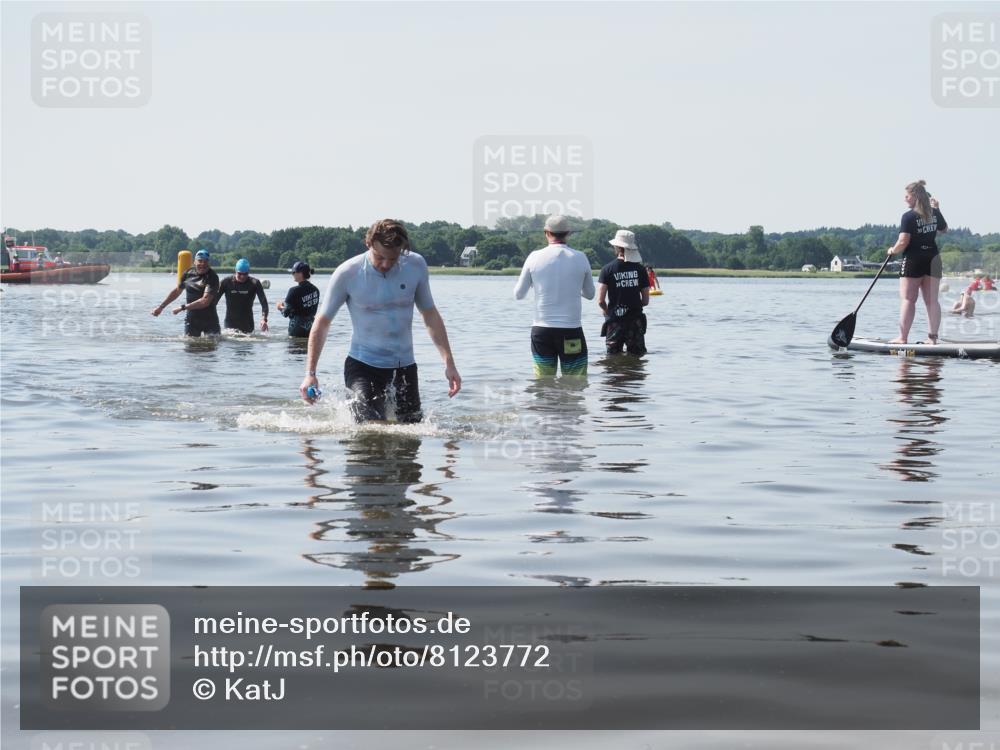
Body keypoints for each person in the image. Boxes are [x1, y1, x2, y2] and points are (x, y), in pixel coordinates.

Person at [299, 219, 461, 422]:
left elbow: (430, 315)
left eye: (392, 259)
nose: (385, 264)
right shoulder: (348, 273)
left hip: (405, 368)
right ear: (368, 243)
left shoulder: (416, 265)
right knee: (370, 430)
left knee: (410, 436)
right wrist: (310, 373)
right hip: (363, 367)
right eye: (379, 257)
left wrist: (449, 363)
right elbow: (322, 323)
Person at [513, 215, 596, 376]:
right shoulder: (580, 257)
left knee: (543, 382)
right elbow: (590, 294)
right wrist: (572, 287)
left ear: (546, 232)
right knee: (575, 382)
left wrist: (534, 283)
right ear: (568, 233)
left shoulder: (534, 257)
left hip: (542, 332)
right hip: (571, 331)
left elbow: (518, 294)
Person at [886, 181, 948, 344]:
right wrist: (938, 210)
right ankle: (932, 339)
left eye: (907, 196)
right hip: (933, 258)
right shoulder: (934, 213)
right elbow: (944, 230)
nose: (905, 199)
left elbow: (903, 241)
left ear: (915, 196)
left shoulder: (908, 216)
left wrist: (892, 250)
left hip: (914, 259)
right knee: (932, 301)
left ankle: (902, 338)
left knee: (908, 299)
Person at [598, 230, 650, 355]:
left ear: (617, 247)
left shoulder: (607, 269)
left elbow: (600, 301)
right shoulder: (641, 270)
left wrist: (608, 311)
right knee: (637, 358)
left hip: (614, 322)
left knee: (612, 358)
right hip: (635, 322)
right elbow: (645, 301)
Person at [150, 248, 221, 337]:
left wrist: (182, 307)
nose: (202, 264)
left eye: (205, 261)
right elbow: (177, 291)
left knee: (211, 349)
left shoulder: (212, 277)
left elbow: (205, 301)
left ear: (208, 263)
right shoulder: (188, 273)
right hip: (192, 320)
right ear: (194, 262)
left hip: (210, 321)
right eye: (200, 261)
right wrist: (161, 307)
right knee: (190, 349)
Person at [217, 258, 269, 333]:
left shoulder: (254, 283)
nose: (242, 276)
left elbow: (264, 303)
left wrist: (264, 319)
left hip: (248, 324)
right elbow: (214, 301)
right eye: (240, 273)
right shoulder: (226, 282)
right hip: (230, 324)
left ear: (248, 272)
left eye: (245, 274)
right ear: (235, 271)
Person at [277, 261, 320, 337]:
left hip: (296, 330)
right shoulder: (316, 290)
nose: (292, 274)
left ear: (300, 273)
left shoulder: (293, 290)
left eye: (293, 272)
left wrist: (279, 306)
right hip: (311, 328)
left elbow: (285, 313)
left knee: (294, 348)